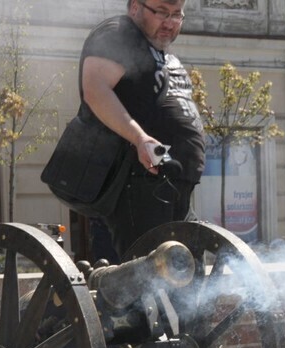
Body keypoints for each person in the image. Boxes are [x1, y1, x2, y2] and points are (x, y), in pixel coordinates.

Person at [79, 0, 205, 259]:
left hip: (172, 184)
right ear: (135, 7)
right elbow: (95, 89)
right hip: (138, 183)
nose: (169, 22)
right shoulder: (118, 33)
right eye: (161, 12)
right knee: (140, 283)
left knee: (184, 279)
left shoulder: (160, 52)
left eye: (176, 15)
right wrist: (140, 139)